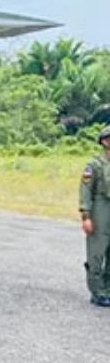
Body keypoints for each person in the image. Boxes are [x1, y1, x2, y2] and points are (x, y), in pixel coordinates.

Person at [80, 125, 110, 307]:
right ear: (104, 141)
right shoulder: (94, 165)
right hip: (100, 208)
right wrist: (86, 216)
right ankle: (97, 292)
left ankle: (108, 289)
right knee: (97, 253)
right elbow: (85, 191)